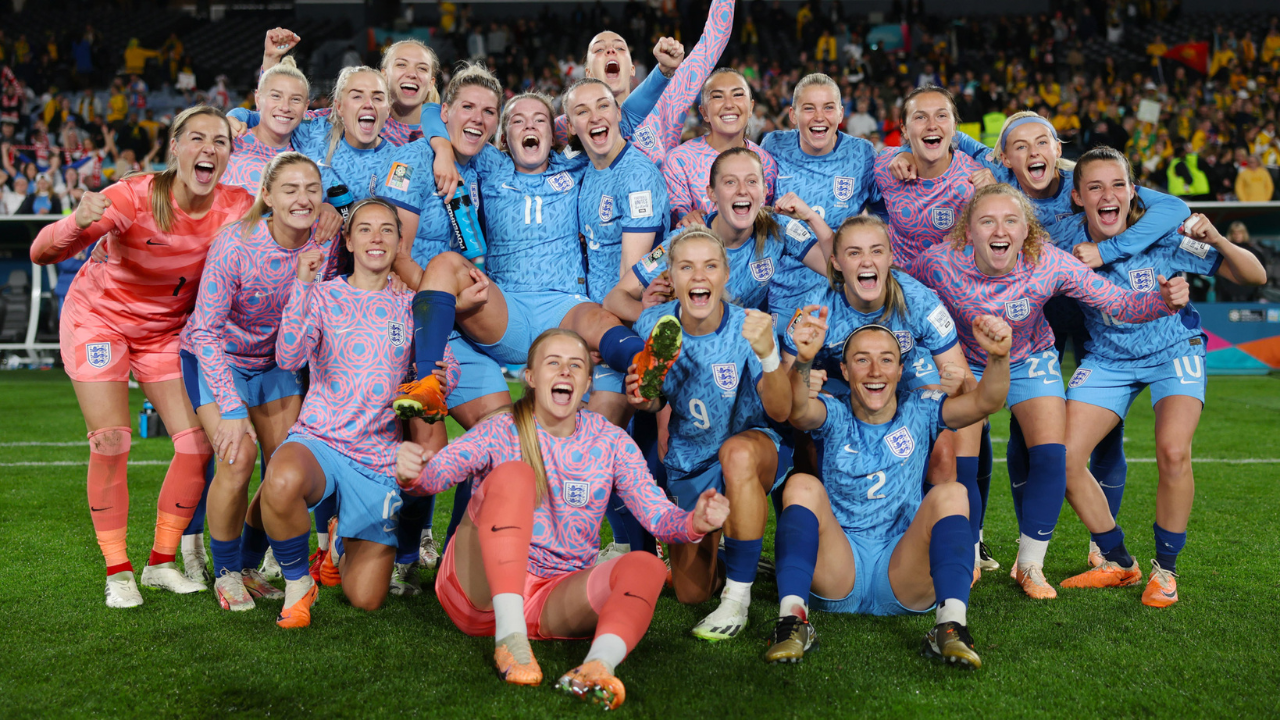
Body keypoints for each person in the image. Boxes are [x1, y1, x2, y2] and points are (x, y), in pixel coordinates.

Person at [890, 109, 1193, 569]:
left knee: (1085, 441)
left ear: (1059, 152)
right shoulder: (950, 248)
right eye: (1021, 146)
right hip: (992, 344)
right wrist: (901, 154)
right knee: (978, 446)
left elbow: (1171, 211)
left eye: (1043, 143)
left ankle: (1067, 554)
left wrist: (1142, 282)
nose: (1034, 153)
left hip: (1060, 329)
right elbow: (950, 141)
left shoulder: (1075, 201)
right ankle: (972, 546)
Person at [394, 329, 728, 710]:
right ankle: (510, 638)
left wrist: (695, 523)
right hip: (479, 592)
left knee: (646, 566)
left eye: (576, 365)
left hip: (554, 597)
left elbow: (658, 515)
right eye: (553, 362)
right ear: (532, 378)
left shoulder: (611, 441)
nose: (565, 371)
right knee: (515, 475)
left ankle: (596, 667)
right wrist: (413, 475)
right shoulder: (502, 427)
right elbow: (437, 475)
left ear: (587, 382)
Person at [30, 105, 253, 608]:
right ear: (174, 147)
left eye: (220, 140)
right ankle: (118, 571)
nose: (208, 149)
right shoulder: (131, 196)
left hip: (165, 334)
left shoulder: (237, 205)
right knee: (111, 440)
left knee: (197, 445)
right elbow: (41, 253)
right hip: (99, 321)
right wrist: (75, 221)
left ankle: (159, 563)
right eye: (196, 137)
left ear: (228, 155)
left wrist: (323, 213)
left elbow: (283, 227)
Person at [1056, 148, 1265, 606]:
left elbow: (1253, 274)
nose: (1107, 196)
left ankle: (1165, 571)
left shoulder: (1164, 234)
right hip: (1109, 358)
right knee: (1062, 460)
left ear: (1133, 192)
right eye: (1095, 187)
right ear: (1077, 197)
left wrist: (1219, 239)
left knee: (1173, 451)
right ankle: (1119, 561)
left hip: (1174, 350)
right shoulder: (1065, 244)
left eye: (1118, 185)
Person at [768, 312, 1013, 667]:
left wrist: (999, 357)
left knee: (952, 493)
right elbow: (797, 412)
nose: (874, 370)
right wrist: (803, 360)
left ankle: (950, 626)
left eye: (886, 360)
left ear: (900, 371)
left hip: (903, 569)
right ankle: (792, 622)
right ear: (846, 370)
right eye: (861, 360)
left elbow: (985, 403)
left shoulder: (922, 409)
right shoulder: (834, 413)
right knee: (801, 484)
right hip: (840, 566)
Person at [261, 198, 455, 628]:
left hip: (377, 457)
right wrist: (301, 287)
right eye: (364, 229)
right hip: (321, 440)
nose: (376, 238)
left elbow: (442, 366)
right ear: (347, 240)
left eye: (387, 229)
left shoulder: (411, 305)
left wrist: (442, 378)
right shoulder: (324, 293)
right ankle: (298, 585)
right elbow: (289, 358)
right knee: (280, 478)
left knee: (366, 599)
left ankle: (339, 545)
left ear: (399, 241)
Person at [624, 228, 792, 641]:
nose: (699, 276)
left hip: (754, 447)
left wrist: (769, 354)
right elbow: (652, 403)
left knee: (736, 453)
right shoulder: (653, 323)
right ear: (672, 278)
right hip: (689, 459)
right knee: (690, 593)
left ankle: (737, 598)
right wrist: (640, 395)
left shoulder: (750, 327)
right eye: (687, 267)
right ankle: (737, 550)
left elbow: (782, 410)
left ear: (725, 275)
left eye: (710, 266)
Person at [179, 152, 329, 611]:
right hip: (216, 358)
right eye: (290, 189)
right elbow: (205, 330)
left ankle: (245, 563)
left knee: (286, 466)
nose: (302, 199)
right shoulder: (236, 243)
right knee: (239, 455)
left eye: (311, 189)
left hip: (278, 365)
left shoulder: (324, 247)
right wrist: (231, 408)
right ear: (267, 196)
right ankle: (225, 574)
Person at [606, 147, 832, 322]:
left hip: (749, 348)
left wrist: (812, 217)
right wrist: (650, 314)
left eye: (752, 181)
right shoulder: (683, 241)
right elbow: (615, 298)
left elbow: (838, 269)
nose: (742, 190)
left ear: (764, 192)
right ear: (712, 194)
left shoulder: (778, 227)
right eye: (730, 182)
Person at [562, 77, 672, 426]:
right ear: (571, 125)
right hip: (597, 328)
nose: (595, 116)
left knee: (593, 437)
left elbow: (631, 281)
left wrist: (608, 341)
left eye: (603, 105)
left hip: (627, 329)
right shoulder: (588, 170)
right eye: (582, 111)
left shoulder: (636, 176)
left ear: (617, 112)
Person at [761, 73, 879, 341]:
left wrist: (902, 156)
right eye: (808, 108)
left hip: (844, 287)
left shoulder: (861, 154)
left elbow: (888, 217)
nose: (819, 117)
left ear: (840, 113)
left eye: (828, 107)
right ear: (793, 115)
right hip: (785, 290)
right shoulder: (773, 145)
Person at [554, 0, 732, 168]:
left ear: (632, 69)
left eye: (620, 48)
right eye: (599, 49)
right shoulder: (571, 124)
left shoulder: (667, 98)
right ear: (588, 74)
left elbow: (712, 40)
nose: (610, 50)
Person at [874, 86, 989, 272]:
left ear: (954, 128)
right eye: (920, 117)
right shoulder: (885, 165)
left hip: (955, 293)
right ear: (904, 128)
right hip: (902, 290)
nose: (932, 125)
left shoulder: (978, 180)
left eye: (941, 116)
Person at [662, 69, 777, 226]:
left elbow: (768, 220)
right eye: (717, 96)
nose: (729, 104)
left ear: (751, 108)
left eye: (737, 94)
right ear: (704, 112)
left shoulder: (766, 162)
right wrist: (687, 218)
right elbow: (678, 220)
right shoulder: (679, 161)